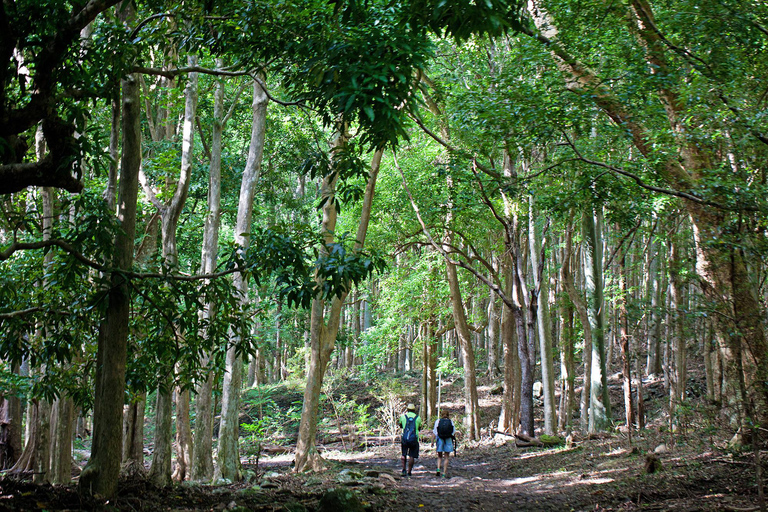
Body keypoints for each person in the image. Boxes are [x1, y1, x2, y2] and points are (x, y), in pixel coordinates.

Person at [399, 403, 421, 476]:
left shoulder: (403, 416)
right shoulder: (418, 418)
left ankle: (403, 469)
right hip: (414, 439)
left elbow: (401, 426)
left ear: (407, 409)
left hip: (404, 438)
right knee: (412, 456)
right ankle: (409, 471)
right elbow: (419, 428)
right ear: (414, 410)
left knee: (403, 454)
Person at [433, 409, 455, 478]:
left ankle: (438, 469)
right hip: (448, 439)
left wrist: (432, 441)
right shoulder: (451, 422)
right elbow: (453, 432)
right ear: (448, 415)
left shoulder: (438, 421)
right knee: (446, 457)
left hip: (440, 439)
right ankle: (444, 473)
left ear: (441, 415)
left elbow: (435, 432)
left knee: (439, 456)